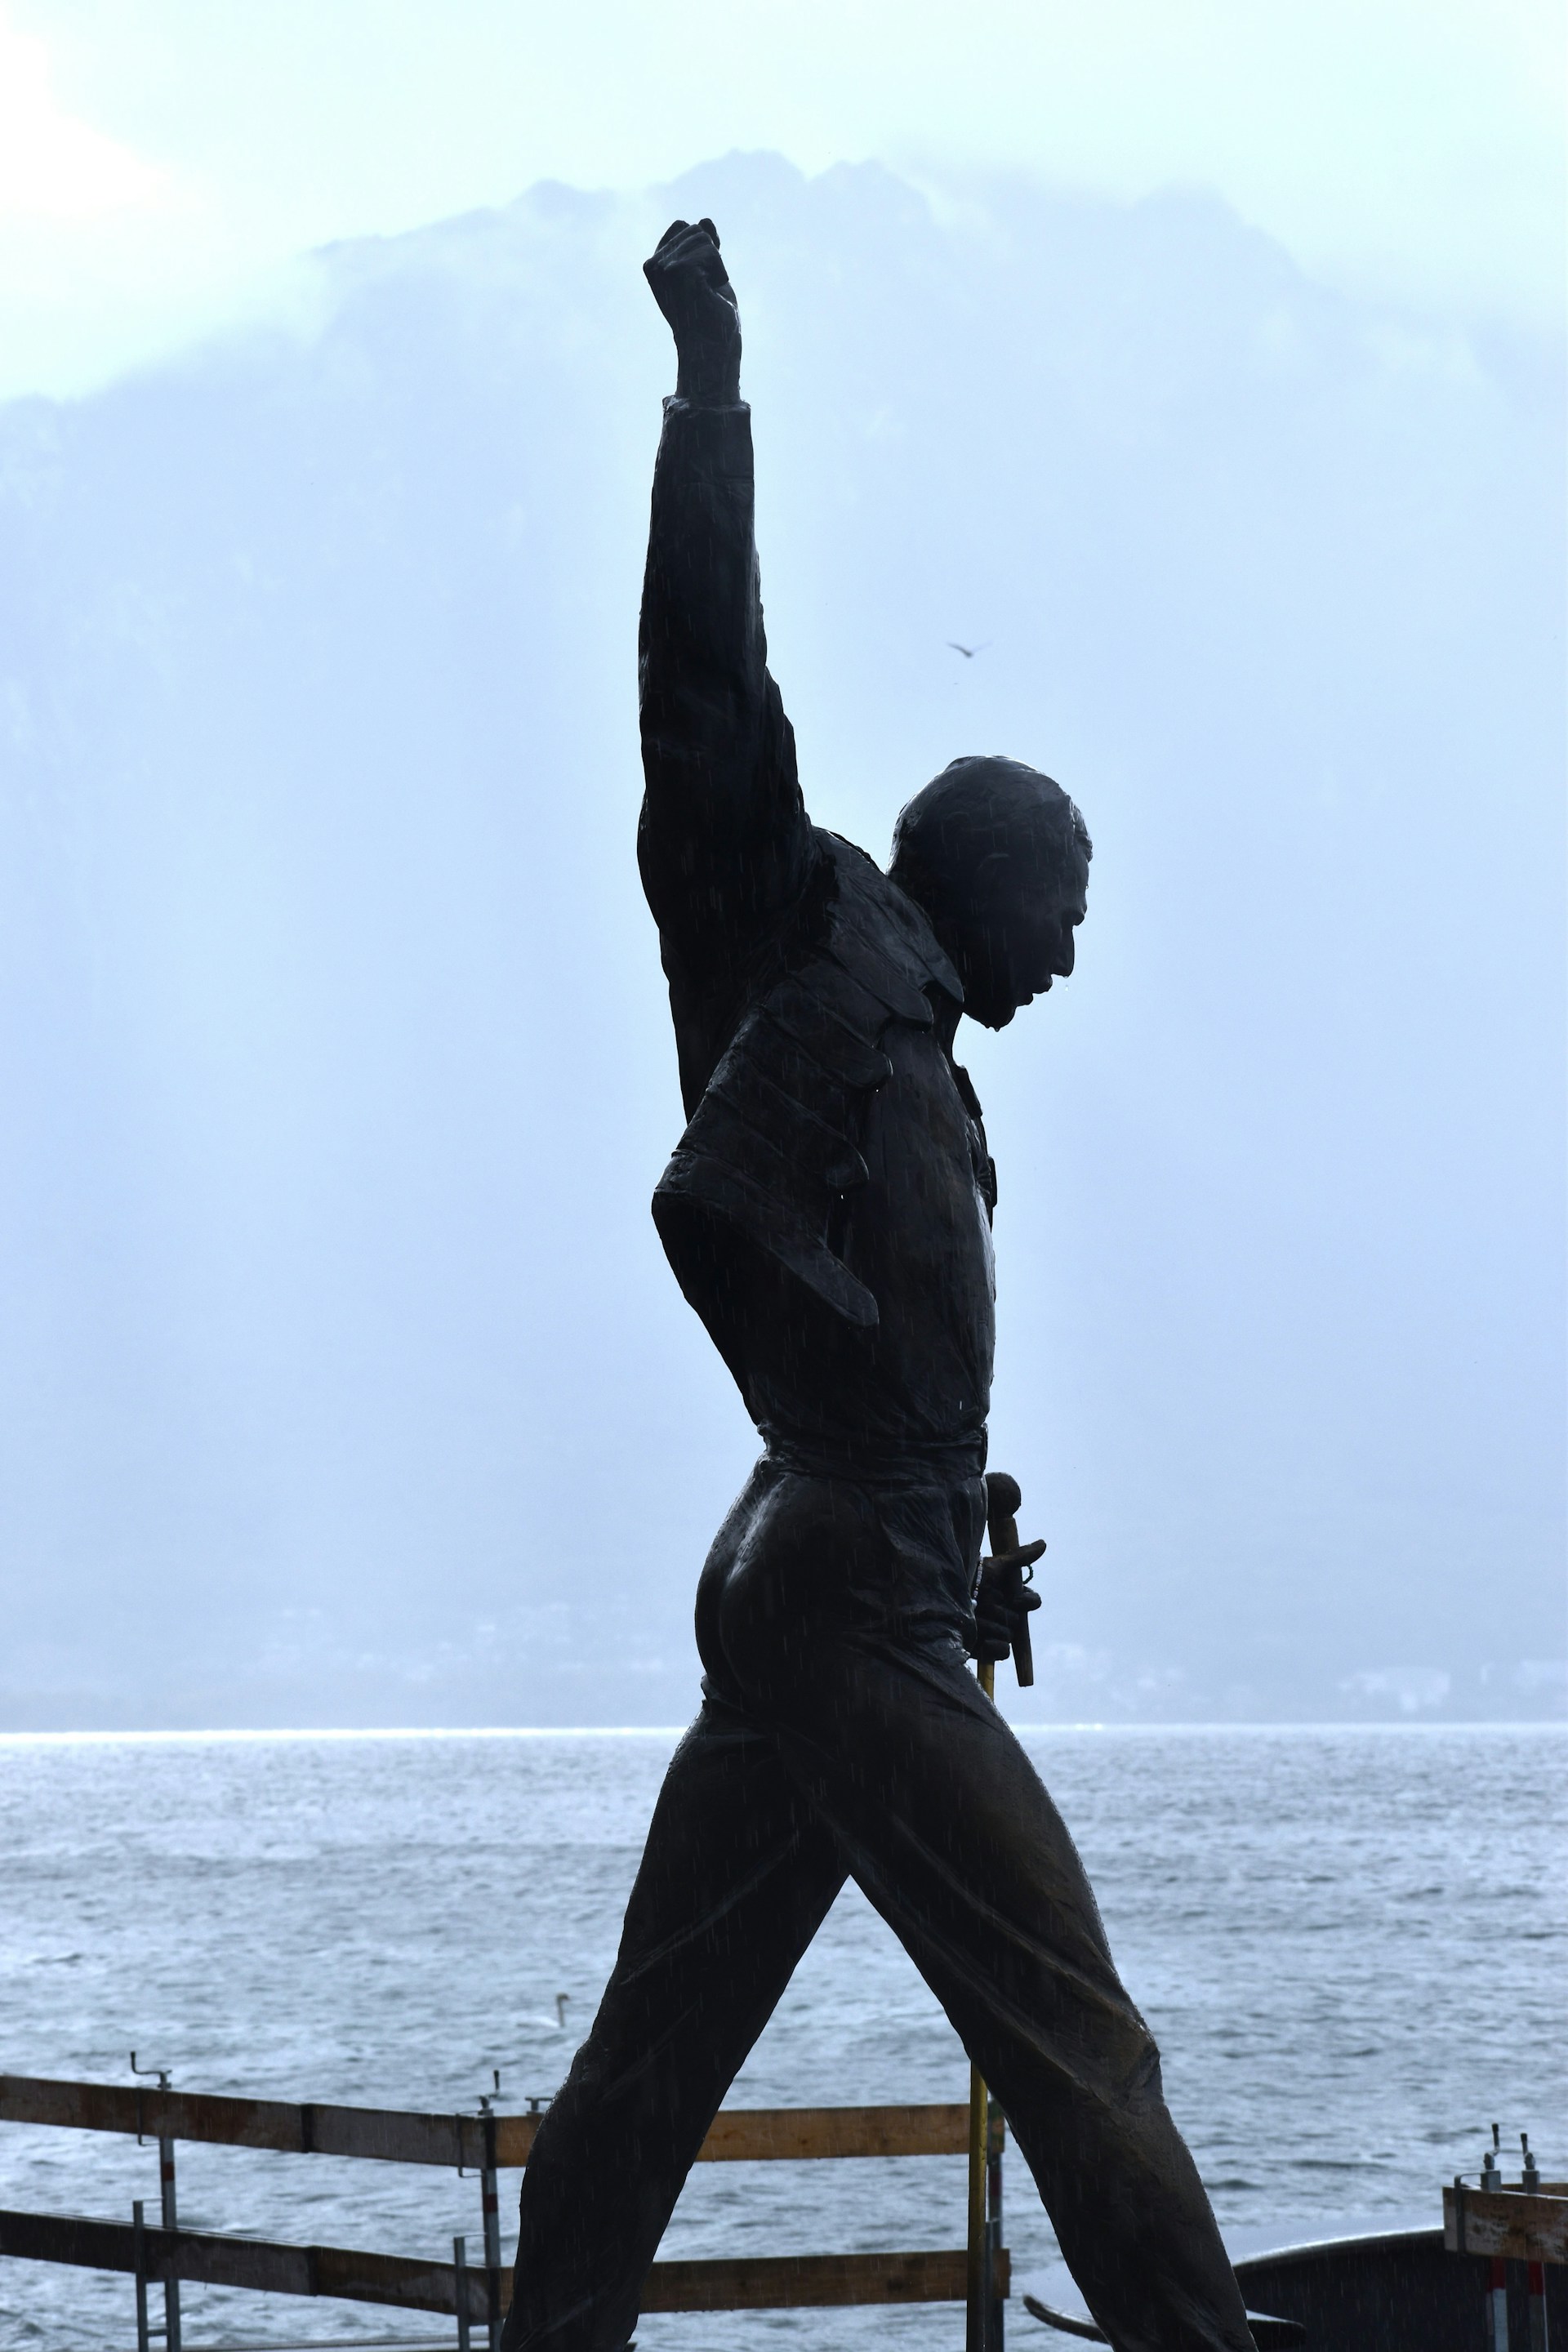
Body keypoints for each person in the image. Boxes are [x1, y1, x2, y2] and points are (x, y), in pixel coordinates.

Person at [499, 217, 1256, 2352]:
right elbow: (703, 696)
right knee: (1080, 2042)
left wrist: (942, 1498)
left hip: (816, 1573)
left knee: (651, 2061)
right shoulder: (812, 942)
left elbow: (881, 1333)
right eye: (1070, 908)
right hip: (843, 1585)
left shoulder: (909, 1032)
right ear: (995, 882)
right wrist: (711, 397)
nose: (1076, 954)